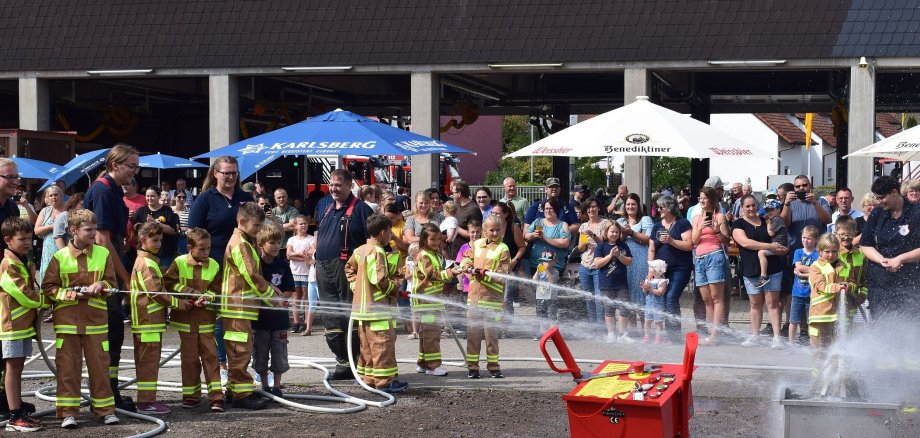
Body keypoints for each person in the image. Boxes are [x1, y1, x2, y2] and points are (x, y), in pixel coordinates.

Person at [42, 209, 120, 428]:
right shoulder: (60, 257)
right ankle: (68, 413)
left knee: (100, 368)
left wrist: (101, 285)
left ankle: (105, 410)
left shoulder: (103, 254)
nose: (94, 233)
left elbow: (113, 284)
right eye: (89, 230)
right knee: (68, 368)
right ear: (73, 231)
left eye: (95, 229)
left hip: (96, 322)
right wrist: (68, 294)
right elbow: (48, 288)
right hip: (67, 322)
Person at [83, 144, 139, 412]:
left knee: (114, 334)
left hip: (110, 265)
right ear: (115, 165)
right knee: (109, 332)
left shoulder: (114, 191)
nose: (134, 172)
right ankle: (105, 394)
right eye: (131, 166)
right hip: (103, 273)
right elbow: (104, 241)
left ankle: (110, 391)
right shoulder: (104, 191)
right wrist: (126, 279)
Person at [188, 156, 254, 383]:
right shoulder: (205, 199)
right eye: (226, 173)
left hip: (240, 270)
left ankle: (240, 366)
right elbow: (193, 233)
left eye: (234, 173)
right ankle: (222, 366)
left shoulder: (245, 199)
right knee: (217, 319)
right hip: (213, 268)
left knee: (238, 318)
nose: (230, 177)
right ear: (215, 173)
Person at [314, 169, 373, 381]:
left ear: (349, 186)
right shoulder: (327, 209)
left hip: (346, 270)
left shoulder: (361, 210)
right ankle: (343, 361)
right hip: (322, 268)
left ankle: (358, 360)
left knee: (350, 317)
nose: (333, 188)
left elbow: (374, 243)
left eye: (338, 184)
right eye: (331, 184)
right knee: (331, 317)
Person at [220, 202, 275, 410]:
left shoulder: (244, 240)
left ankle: (234, 390)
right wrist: (271, 296)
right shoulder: (241, 244)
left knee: (238, 350)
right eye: (256, 226)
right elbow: (251, 275)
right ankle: (241, 395)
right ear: (242, 221)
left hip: (240, 306)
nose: (259, 230)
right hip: (238, 306)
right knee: (240, 351)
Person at [344, 214, 408, 393]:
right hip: (377, 308)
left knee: (366, 345)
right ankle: (384, 381)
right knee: (382, 344)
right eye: (389, 233)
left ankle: (367, 378)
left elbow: (349, 268)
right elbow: (378, 278)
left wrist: (356, 285)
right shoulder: (378, 251)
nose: (391, 236)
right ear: (382, 233)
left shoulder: (360, 250)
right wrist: (393, 289)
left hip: (361, 309)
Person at [162, 227, 224, 412]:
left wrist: (208, 297)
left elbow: (217, 288)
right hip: (185, 319)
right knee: (189, 360)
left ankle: (216, 397)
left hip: (206, 319)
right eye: (202, 249)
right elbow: (169, 283)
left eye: (208, 248)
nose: (206, 253)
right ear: (190, 247)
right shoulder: (179, 262)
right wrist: (190, 294)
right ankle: (191, 396)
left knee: (211, 358)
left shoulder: (213, 264)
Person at [129, 221, 183, 415]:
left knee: (148, 362)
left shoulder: (146, 260)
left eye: (160, 240)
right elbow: (156, 293)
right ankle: (146, 402)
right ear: (143, 240)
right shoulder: (147, 263)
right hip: (148, 323)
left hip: (148, 321)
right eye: (155, 240)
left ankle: (147, 400)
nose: (159, 244)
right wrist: (179, 304)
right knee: (148, 363)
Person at [0, 217, 45, 431]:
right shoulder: (9, 264)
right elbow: (24, 295)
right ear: (8, 240)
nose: (27, 243)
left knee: (18, 368)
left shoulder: (22, 261)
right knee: (12, 368)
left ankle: (17, 409)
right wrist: (47, 300)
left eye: (29, 238)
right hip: (12, 326)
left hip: (22, 324)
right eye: (22, 239)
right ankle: (14, 416)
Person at [860, 175, 920, 320]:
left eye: (881, 197)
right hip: (880, 283)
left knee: (907, 325)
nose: (878, 201)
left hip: (909, 282)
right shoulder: (877, 213)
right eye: (877, 197)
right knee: (881, 324)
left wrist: (900, 259)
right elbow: (865, 244)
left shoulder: (916, 212)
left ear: (894, 192)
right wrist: (881, 260)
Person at [732, 194, 787, 349]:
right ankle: (755, 336)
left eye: (753, 205)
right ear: (742, 207)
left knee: (773, 303)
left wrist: (783, 248)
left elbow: (780, 236)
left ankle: (777, 337)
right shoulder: (738, 224)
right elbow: (745, 242)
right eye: (747, 206)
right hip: (751, 269)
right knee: (755, 304)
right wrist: (769, 247)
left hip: (773, 267)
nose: (751, 208)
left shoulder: (766, 220)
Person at [461, 215, 511, 379]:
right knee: (473, 336)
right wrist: (467, 266)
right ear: (484, 231)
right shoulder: (476, 244)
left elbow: (503, 274)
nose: (495, 232)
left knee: (492, 337)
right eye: (491, 230)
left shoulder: (503, 249)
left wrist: (485, 274)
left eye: (498, 229)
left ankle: (494, 367)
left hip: (492, 302)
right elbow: (466, 258)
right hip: (474, 299)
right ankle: (473, 368)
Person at [410, 223, 458, 376]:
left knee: (427, 333)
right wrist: (452, 272)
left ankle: (423, 363)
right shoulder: (424, 256)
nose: (436, 242)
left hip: (432, 301)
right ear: (424, 240)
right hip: (426, 302)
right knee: (432, 333)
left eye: (438, 239)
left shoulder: (435, 254)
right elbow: (433, 275)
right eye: (432, 240)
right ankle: (433, 366)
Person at [253, 224, 294, 398]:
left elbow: (289, 288)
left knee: (279, 352)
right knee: (260, 351)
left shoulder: (283, 265)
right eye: (272, 242)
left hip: (279, 320)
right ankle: (264, 385)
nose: (277, 246)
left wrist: (281, 299)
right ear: (261, 244)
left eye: (279, 242)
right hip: (260, 320)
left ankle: (276, 386)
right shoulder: (256, 266)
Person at [808, 234, 857, 371]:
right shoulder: (815, 267)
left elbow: (854, 284)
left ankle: (834, 382)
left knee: (838, 351)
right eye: (827, 251)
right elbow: (820, 285)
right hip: (820, 316)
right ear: (820, 252)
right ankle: (817, 383)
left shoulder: (845, 266)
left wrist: (848, 286)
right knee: (820, 351)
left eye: (834, 251)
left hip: (840, 317)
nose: (831, 255)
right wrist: (837, 287)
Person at [647, 195, 693, 342]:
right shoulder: (656, 226)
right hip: (661, 271)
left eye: (661, 207)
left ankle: (674, 336)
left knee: (671, 297)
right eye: (657, 207)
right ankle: (670, 334)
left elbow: (689, 245)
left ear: (670, 208)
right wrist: (650, 269)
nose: (658, 210)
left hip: (680, 268)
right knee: (663, 299)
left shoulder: (682, 223)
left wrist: (671, 241)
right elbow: (651, 248)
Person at [690, 187, 730, 345]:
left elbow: (726, 240)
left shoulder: (719, 216)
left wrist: (716, 230)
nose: (701, 201)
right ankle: (713, 332)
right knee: (706, 299)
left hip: (714, 256)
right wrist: (700, 228)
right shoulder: (696, 218)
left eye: (704, 198)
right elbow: (693, 241)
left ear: (712, 199)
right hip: (699, 258)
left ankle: (714, 335)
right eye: (700, 198)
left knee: (717, 298)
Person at [594, 222, 633, 343]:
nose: (614, 234)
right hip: (606, 284)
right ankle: (611, 333)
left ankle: (623, 334)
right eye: (612, 231)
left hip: (622, 284)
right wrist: (610, 255)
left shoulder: (623, 245)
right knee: (609, 308)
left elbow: (629, 261)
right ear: (606, 232)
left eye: (617, 232)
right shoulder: (601, 246)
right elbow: (597, 264)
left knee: (624, 307)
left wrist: (619, 256)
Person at [618, 193, 654, 325]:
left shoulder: (645, 219)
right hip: (624, 261)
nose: (630, 206)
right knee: (628, 295)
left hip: (640, 261)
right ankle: (633, 330)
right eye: (628, 204)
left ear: (638, 206)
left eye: (633, 204)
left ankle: (646, 329)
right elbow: (615, 240)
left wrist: (631, 233)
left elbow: (647, 239)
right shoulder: (620, 222)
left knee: (641, 292)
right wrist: (623, 234)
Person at [575, 197, 610, 325]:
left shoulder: (605, 223)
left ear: (599, 208)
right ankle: (593, 328)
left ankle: (601, 328)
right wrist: (584, 240)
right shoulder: (584, 226)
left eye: (594, 206)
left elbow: (605, 245)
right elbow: (580, 248)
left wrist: (593, 235)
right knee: (589, 299)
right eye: (589, 207)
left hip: (599, 266)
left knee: (599, 299)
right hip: (585, 265)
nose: (591, 209)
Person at [492, 202, 526, 317]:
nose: (494, 215)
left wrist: (514, 261)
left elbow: (522, 247)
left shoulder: (513, 227)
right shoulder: (488, 226)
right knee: (495, 295)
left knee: (507, 296)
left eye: (497, 213)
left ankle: (507, 324)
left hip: (509, 266)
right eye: (493, 213)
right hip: (493, 266)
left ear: (505, 214)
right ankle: (496, 321)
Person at [133, 186, 179, 269]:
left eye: (152, 196)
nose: (149, 198)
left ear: (159, 196)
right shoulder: (141, 211)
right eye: (147, 196)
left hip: (164, 253)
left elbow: (173, 230)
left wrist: (155, 222)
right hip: (146, 253)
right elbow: (135, 229)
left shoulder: (167, 210)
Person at [524, 199, 571, 277]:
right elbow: (526, 236)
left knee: (550, 288)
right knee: (536, 288)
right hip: (536, 265)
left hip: (555, 267)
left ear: (556, 209)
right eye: (546, 208)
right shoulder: (537, 222)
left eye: (551, 208)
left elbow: (565, 243)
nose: (548, 211)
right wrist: (533, 235)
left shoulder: (563, 225)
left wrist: (544, 238)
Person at [789, 225, 819, 345]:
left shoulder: (818, 254)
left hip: (812, 294)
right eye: (804, 237)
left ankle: (813, 344)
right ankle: (790, 343)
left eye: (809, 238)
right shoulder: (798, 252)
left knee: (811, 321)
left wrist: (803, 274)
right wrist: (811, 271)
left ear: (816, 239)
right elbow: (799, 267)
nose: (805, 240)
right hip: (797, 293)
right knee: (793, 320)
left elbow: (817, 270)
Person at [287, 215, 314, 335]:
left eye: (305, 223)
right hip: (294, 272)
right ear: (295, 226)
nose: (304, 225)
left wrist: (299, 256)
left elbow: (310, 255)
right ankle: (296, 322)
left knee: (306, 298)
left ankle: (306, 323)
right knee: (296, 298)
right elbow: (289, 255)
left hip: (307, 272)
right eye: (301, 223)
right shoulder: (291, 240)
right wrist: (300, 254)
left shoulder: (311, 239)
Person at [34, 185, 65, 281]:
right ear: (47, 198)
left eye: (56, 194)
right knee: (48, 279)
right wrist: (52, 227)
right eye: (51, 195)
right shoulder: (45, 211)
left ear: (61, 196)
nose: (53, 197)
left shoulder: (67, 210)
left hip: (63, 248)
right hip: (48, 250)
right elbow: (36, 230)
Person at [755, 200, 788, 288]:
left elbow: (771, 233)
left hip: (779, 245)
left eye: (771, 210)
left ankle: (764, 276)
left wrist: (768, 223)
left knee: (761, 252)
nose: (769, 212)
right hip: (778, 244)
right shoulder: (775, 218)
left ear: (778, 209)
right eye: (767, 210)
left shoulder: (777, 219)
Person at [448, 180, 483, 259]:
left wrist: (455, 227)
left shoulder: (473, 209)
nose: (452, 195)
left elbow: (475, 234)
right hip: (456, 252)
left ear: (459, 193)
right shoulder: (458, 207)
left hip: (467, 255)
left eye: (453, 193)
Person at [533, 251, 559, 341]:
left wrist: (547, 270)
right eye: (544, 261)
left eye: (548, 261)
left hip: (550, 298)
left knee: (551, 316)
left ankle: (552, 334)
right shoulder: (540, 271)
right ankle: (542, 333)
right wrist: (537, 271)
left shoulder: (555, 271)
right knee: (541, 316)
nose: (545, 263)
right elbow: (534, 281)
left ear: (554, 261)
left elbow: (552, 281)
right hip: (540, 297)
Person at [642, 259, 669, 344]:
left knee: (658, 322)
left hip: (657, 306)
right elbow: (645, 292)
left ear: (657, 270)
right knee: (647, 321)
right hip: (648, 305)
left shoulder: (662, 281)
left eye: (651, 267)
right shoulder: (648, 280)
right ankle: (647, 336)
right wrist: (645, 288)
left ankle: (658, 337)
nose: (649, 269)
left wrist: (650, 288)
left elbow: (660, 293)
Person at [272, 188, 300, 258]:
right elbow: (269, 229)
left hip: (289, 247)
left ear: (287, 197)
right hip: (274, 247)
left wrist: (276, 226)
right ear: (275, 198)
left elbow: (293, 225)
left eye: (283, 197)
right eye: (279, 197)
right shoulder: (271, 212)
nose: (281, 199)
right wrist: (288, 227)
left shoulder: (293, 210)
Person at [172, 191, 191, 255]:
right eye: (179, 197)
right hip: (171, 238)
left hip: (184, 239)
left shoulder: (189, 212)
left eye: (184, 197)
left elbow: (191, 226)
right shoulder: (170, 210)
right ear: (174, 197)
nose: (182, 199)